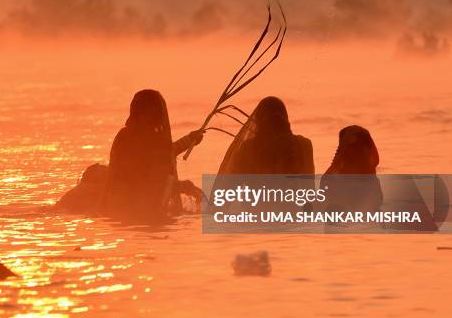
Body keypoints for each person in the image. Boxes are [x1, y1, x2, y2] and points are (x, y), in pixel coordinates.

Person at [102, 89, 204, 220]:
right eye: (153, 112)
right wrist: (179, 186)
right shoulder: (127, 137)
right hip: (130, 208)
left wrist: (189, 140)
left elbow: (164, 154)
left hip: (127, 208)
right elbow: (144, 175)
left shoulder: (143, 136)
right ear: (140, 113)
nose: (157, 117)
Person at [218, 96, 314, 175]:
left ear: (258, 120)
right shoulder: (304, 145)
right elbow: (310, 188)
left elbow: (232, 185)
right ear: (285, 116)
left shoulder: (248, 148)